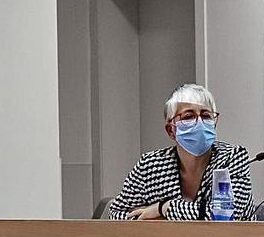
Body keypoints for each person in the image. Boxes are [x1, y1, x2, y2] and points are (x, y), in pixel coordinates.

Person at [108, 83, 254, 220]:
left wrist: (164, 208)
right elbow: (116, 214)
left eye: (205, 116)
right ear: (171, 130)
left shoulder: (233, 157)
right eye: (188, 117)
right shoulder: (150, 165)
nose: (199, 123)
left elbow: (224, 216)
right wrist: (164, 222)